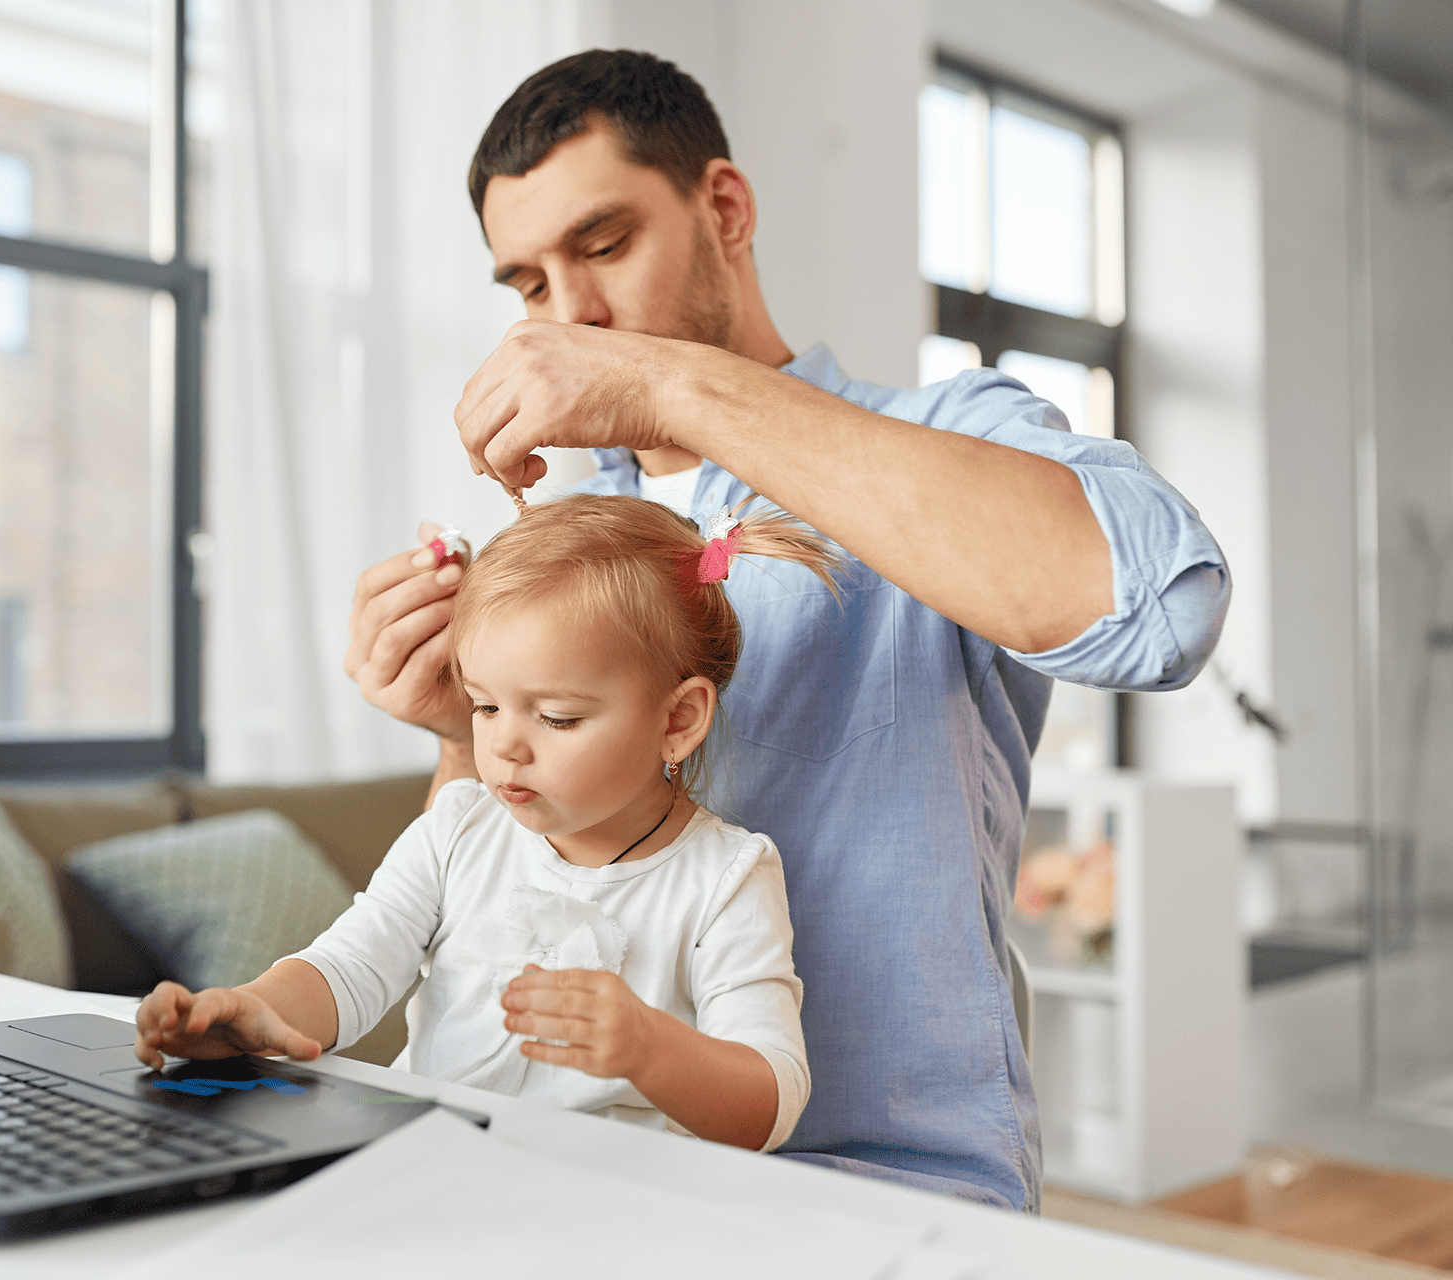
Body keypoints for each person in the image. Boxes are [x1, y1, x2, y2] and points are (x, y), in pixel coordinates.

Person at [344, 51, 1230, 1210]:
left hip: (877, 1185)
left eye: (604, 247)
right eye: (529, 285)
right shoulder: (569, 531)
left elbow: (1163, 608)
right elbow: (485, 901)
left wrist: (674, 388)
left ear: (725, 210)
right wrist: (464, 734)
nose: (574, 317)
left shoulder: (941, 434)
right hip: (576, 1177)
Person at [138, 494, 837, 1151]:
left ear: (678, 720)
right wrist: (255, 1012)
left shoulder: (726, 876)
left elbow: (769, 1103)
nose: (503, 745)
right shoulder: (458, 831)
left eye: (557, 716)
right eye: (484, 706)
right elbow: (348, 968)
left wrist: (651, 1047)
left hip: (614, 1211)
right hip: (436, 1174)